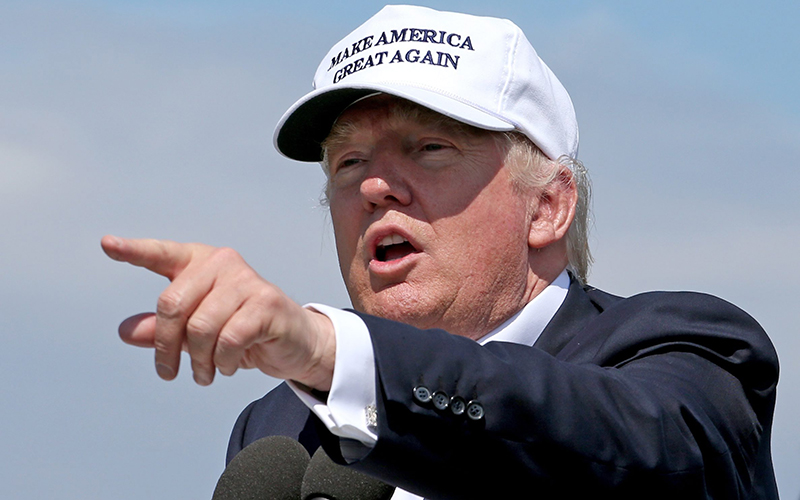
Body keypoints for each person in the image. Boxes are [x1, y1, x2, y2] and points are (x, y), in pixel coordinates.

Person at [102, 5, 779, 499]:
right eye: (348, 162)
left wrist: (333, 354)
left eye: (429, 148)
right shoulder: (280, 424)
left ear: (548, 206)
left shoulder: (690, 354)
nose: (373, 185)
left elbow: (627, 452)